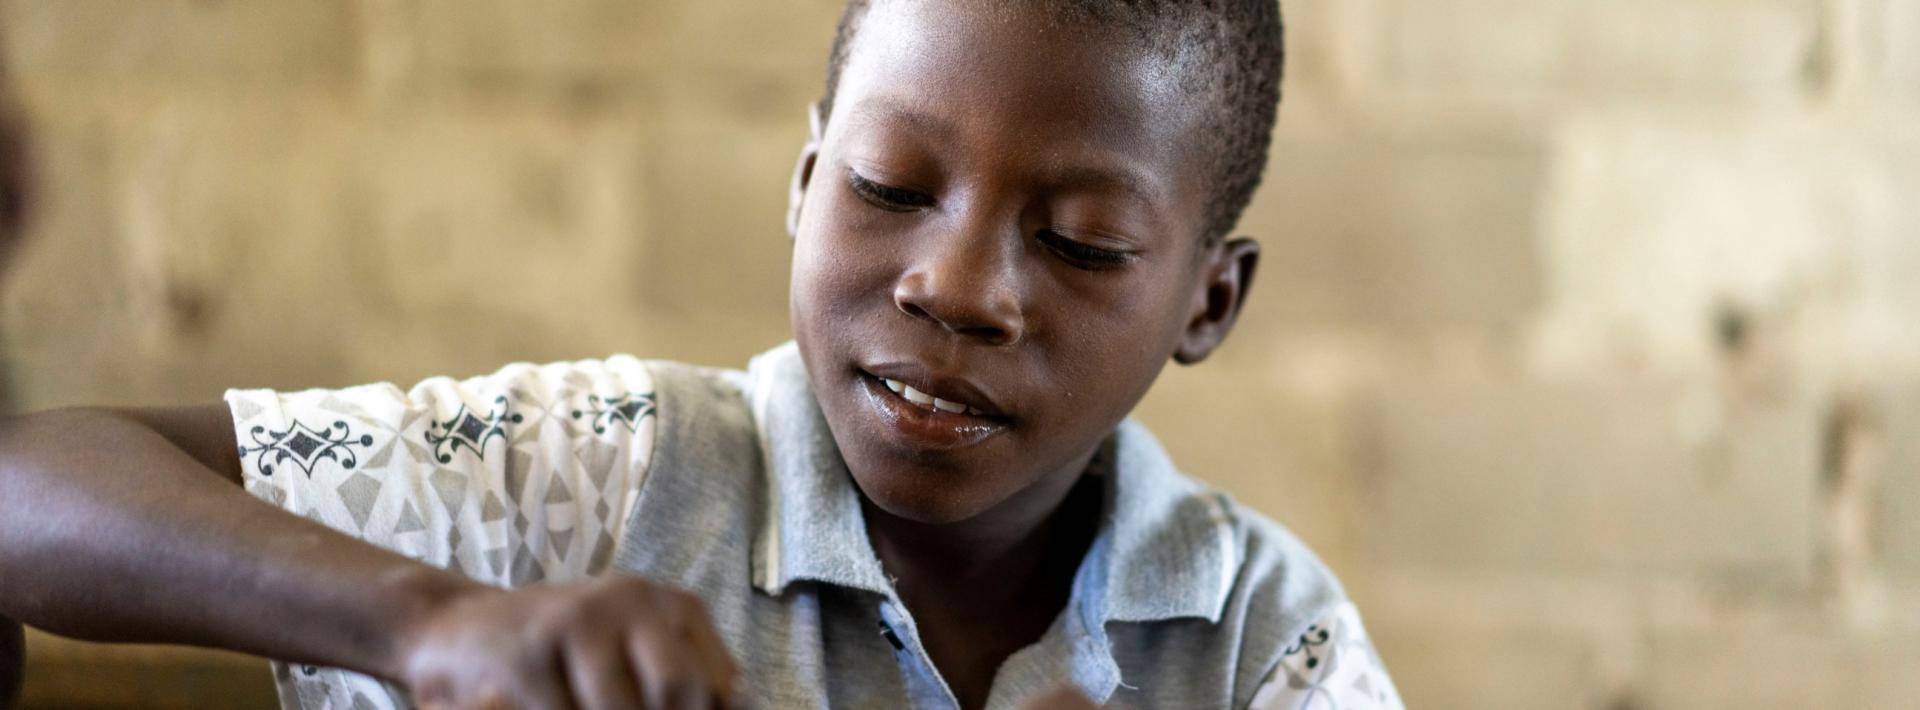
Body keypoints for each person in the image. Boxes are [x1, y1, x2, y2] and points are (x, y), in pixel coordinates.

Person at [0, 1, 1403, 708]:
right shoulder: (601, 477)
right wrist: (425, 621)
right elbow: (27, 482)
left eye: (1085, 242)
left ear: (1208, 302)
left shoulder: (1265, 640)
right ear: (803, 185)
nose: (957, 284)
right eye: (891, 186)